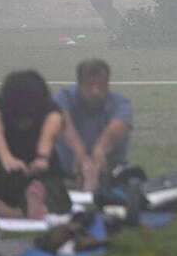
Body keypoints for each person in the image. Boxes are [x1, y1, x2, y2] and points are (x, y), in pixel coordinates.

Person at [0, 70, 71, 219]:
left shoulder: (50, 109)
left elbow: (50, 132)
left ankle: (19, 209)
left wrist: (41, 158)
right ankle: (26, 209)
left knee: (44, 189)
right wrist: (7, 159)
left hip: (38, 170)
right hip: (9, 169)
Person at [55, 59, 133, 192]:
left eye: (101, 85)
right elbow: (64, 126)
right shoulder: (63, 98)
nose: (96, 91)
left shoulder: (121, 104)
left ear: (108, 84)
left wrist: (100, 151)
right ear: (79, 85)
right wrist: (81, 156)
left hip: (111, 176)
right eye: (90, 85)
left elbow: (117, 128)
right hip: (66, 176)